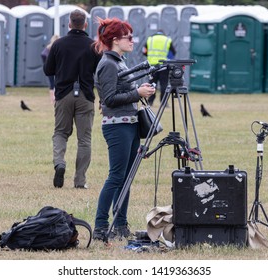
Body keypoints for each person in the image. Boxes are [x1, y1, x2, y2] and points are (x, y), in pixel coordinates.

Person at [92, 17, 156, 240]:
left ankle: (120, 224)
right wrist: (137, 94)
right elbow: (108, 99)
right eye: (129, 37)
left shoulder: (119, 61)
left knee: (126, 177)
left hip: (129, 124)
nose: (132, 41)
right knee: (116, 176)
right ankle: (100, 226)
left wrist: (139, 90)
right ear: (115, 39)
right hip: (117, 126)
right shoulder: (108, 64)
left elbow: (118, 93)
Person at [44, 9, 101, 189]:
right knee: (84, 139)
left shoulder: (59, 44)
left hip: (63, 94)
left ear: (69, 24)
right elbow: (99, 72)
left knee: (60, 132)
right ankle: (80, 180)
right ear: (85, 25)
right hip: (85, 95)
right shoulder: (93, 45)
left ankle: (59, 163)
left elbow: (48, 70)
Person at [143, 30, 176, 106]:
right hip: (164, 66)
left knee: (151, 84)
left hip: (152, 65)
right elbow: (173, 52)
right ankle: (164, 102)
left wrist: (150, 56)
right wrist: (168, 60)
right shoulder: (167, 40)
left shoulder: (150, 39)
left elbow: (144, 51)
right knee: (164, 84)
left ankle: (150, 101)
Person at [41, 34, 59, 104]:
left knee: (52, 84)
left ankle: (52, 100)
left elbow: (43, 55)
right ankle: (55, 98)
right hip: (57, 68)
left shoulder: (48, 48)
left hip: (50, 68)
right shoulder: (58, 47)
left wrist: (46, 63)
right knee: (56, 83)